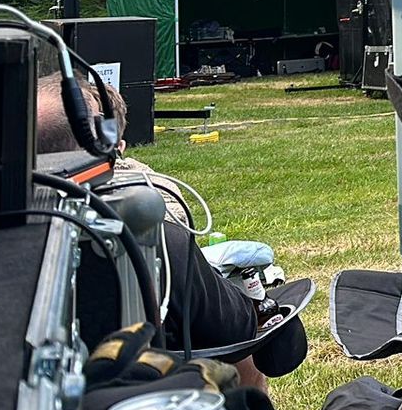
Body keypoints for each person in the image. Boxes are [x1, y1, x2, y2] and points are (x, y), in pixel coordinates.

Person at [37, 80, 308, 392]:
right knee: (240, 365)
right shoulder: (156, 237)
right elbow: (244, 334)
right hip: (137, 402)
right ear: (113, 152)